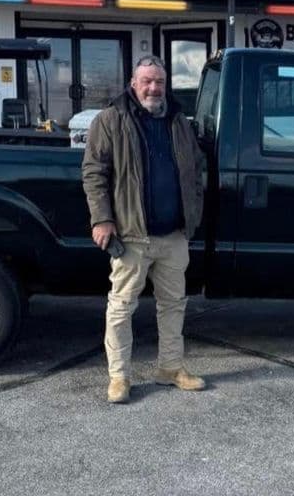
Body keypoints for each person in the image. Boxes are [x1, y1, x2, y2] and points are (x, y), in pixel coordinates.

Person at [82, 54, 206, 404]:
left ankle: (170, 368)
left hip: (173, 235)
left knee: (173, 305)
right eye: (147, 81)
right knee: (121, 307)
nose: (154, 87)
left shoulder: (178, 120)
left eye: (160, 81)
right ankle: (119, 377)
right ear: (133, 83)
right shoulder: (110, 120)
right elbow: (94, 173)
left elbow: (194, 170)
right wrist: (102, 219)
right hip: (131, 235)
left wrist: (191, 213)